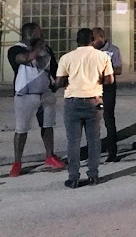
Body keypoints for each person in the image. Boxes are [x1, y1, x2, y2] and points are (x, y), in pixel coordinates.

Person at [56, 28, 114, 188]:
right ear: (93, 39)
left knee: (73, 141)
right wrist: (96, 80)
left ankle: (73, 177)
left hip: (73, 101)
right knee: (94, 140)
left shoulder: (66, 58)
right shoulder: (102, 56)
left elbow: (59, 82)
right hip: (94, 101)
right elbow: (109, 80)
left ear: (77, 40)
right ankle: (93, 176)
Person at [8, 23, 65, 177]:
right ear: (30, 34)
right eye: (39, 33)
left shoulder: (46, 50)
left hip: (45, 94)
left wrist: (58, 84)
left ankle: (50, 156)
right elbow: (26, 58)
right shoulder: (16, 49)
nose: (42, 35)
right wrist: (39, 47)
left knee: (47, 126)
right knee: (21, 129)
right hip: (24, 96)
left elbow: (55, 70)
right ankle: (17, 162)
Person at [92, 27, 122, 162]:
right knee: (92, 119)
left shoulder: (113, 50)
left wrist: (103, 72)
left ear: (101, 37)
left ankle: (112, 151)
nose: (92, 42)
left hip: (108, 88)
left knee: (108, 118)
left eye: (94, 38)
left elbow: (118, 69)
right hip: (93, 88)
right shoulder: (91, 51)